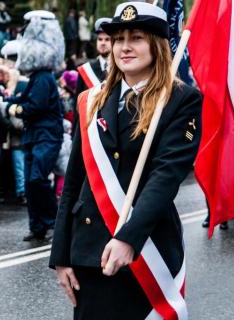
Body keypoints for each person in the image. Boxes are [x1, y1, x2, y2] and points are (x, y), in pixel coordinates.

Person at [50, 2, 202, 319]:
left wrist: (128, 238)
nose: (125, 47)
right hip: (89, 252)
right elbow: (73, 183)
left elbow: (165, 178)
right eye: (119, 38)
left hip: (147, 249)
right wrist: (61, 255)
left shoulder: (181, 99)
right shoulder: (90, 100)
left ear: (157, 46)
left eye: (136, 37)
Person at [5, 11, 65, 241]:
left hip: (46, 135)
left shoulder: (44, 77)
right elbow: (24, 99)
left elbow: (34, 106)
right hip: (34, 136)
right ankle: (37, 225)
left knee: (37, 179)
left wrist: (12, 109)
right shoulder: (38, 77)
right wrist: (4, 103)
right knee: (31, 184)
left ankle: (53, 222)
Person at [76, 18, 112, 95]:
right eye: (100, 39)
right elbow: (78, 101)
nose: (103, 43)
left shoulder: (121, 70)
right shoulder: (86, 69)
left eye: (107, 39)